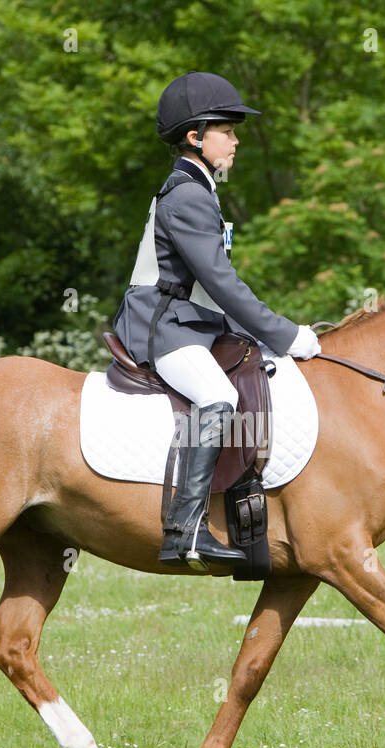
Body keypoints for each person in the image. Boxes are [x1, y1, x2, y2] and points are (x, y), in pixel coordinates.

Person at [112, 70, 321, 571]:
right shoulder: (186, 195)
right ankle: (184, 529)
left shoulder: (197, 187)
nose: (236, 138)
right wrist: (287, 334)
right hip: (162, 327)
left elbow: (215, 287)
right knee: (219, 397)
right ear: (195, 137)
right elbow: (223, 284)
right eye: (227, 129)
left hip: (189, 321)